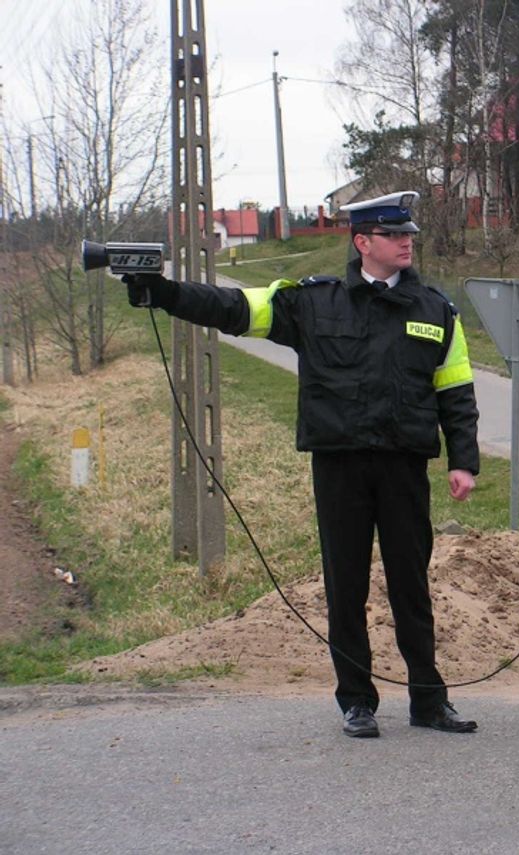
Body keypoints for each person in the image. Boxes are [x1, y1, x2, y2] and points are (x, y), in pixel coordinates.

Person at [122, 191, 480, 739]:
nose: (407, 241)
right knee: (346, 586)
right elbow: (233, 308)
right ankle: (356, 701)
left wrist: (464, 461)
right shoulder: (313, 303)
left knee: (412, 585)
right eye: (393, 234)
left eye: (409, 234)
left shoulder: (435, 309)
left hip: (404, 468)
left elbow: (455, 391)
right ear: (363, 242)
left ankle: (429, 701)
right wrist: (164, 293)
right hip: (339, 468)